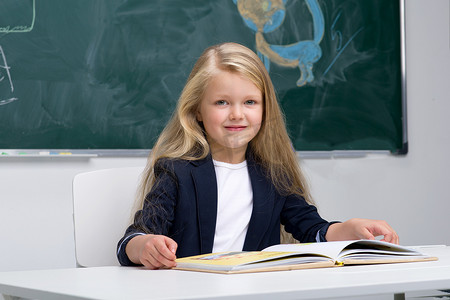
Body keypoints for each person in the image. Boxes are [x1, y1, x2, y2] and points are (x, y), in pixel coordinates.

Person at [117, 42, 398, 269]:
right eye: (222, 102)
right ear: (197, 111)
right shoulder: (176, 170)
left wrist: (348, 229)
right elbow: (134, 238)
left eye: (250, 102)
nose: (237, 114)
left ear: (265, 110)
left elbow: (312, 230)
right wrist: (145, 248)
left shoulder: (273, 174)